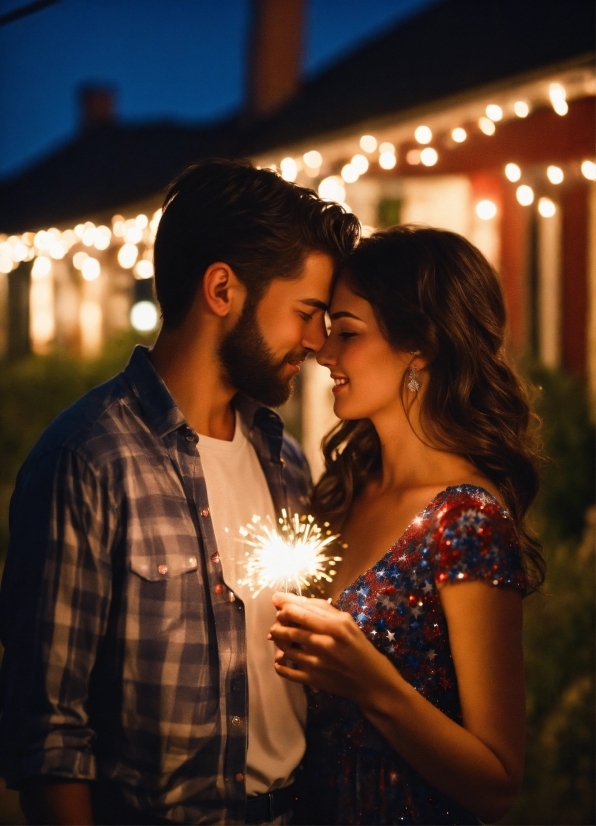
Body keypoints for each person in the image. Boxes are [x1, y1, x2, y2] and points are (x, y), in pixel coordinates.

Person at [0, 158, 360, 825]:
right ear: (222, 289)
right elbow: (50, 738)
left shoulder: (284, 461)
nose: (316, 342)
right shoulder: (88, 460)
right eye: (305, 312)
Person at [269, 225, 545, 825]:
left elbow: (498, 782)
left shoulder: (465, 521)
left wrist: (373, 684)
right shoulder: (342, 492)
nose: (325, 353)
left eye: (348, 333)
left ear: (419, 343)